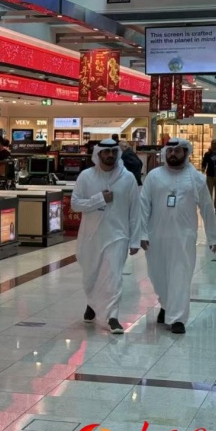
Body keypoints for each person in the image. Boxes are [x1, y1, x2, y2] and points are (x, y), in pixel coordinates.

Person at [140, 138, 216, 334]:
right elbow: (143, 206)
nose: (173, 154)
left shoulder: (196, 178)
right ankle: (166, 305)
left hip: (184, 237)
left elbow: (207, 208)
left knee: (180, 275)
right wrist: (141, 233)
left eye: (177, 151)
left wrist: (213, 236)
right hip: (156, 236)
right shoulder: (154, 176)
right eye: (170, 151)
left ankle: (177, 318)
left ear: (185, 152)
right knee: (158, 275)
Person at [72, 139, 141, 334]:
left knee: (113, 277)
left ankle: (112, 317)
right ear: (98, 154)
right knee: (91, 276)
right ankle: (92, 304)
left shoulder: (128, 178)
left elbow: (135, 210)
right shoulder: (86, 176)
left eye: (113, 152)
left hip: (118, 236)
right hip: (91, 237)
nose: (110, 155)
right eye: (106, 152)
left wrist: (135, 239)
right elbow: (75, 204)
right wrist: (99, 199)